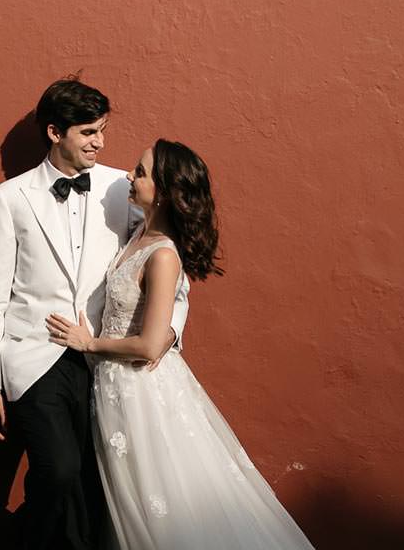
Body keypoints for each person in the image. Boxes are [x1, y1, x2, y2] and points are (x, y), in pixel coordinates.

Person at [46, 140, 316, 550]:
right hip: (113, 390)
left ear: (167, 191)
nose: (128, 177)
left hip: (140, 393)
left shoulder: (163, 254)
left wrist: (90, 343)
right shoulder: (137, 230)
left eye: (139, 172)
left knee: (159, 504)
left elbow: (152, 345)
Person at [0, 79, 177, 549]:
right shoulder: (11, 198)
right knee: (60, 471)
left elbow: (162, 256)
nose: (99, 142)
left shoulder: (117, 187)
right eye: (88, 132)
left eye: (102, 130)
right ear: (54, 132)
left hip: (101, 357)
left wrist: (170, 333)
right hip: (33, 358)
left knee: (96, 481)